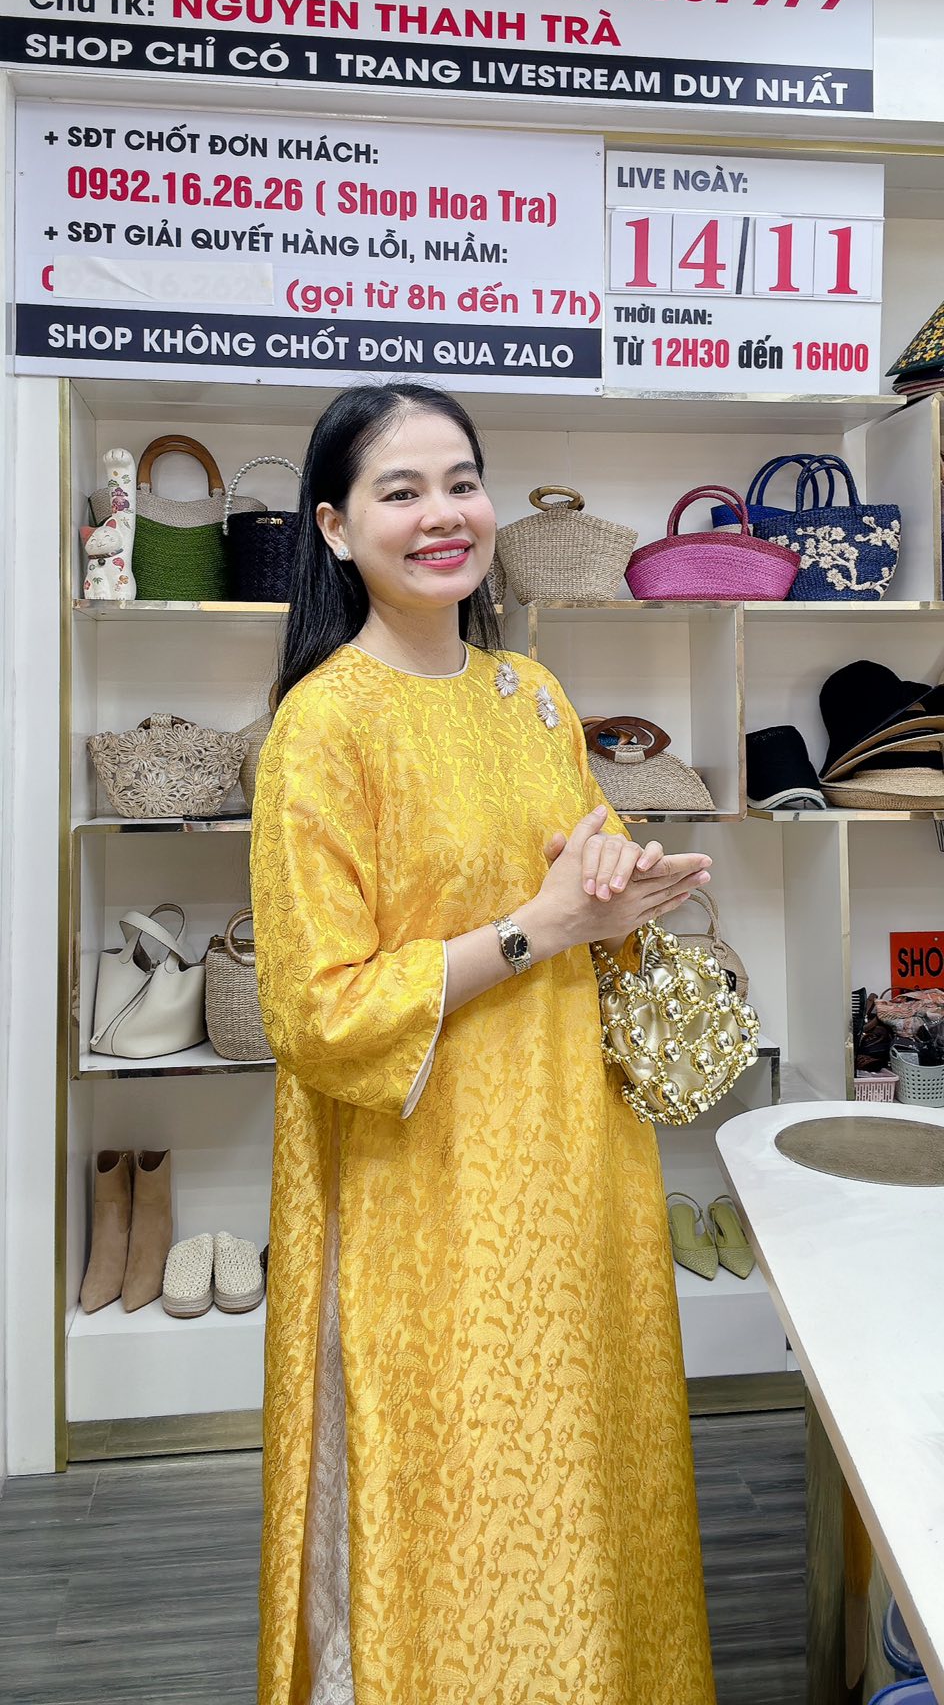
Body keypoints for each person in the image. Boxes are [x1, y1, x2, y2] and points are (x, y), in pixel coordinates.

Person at [250, 379, 718, 1705]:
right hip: (428, 1196)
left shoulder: (533, 694)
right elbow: (317, 1012)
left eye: (461, 482)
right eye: (400, 491)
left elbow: (575, 890)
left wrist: (617, 890)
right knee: (460, 1503)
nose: (443, 515)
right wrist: (537, 927)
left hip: (578, 1165)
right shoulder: (321, 729)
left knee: (590, 1478)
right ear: (336, 529)